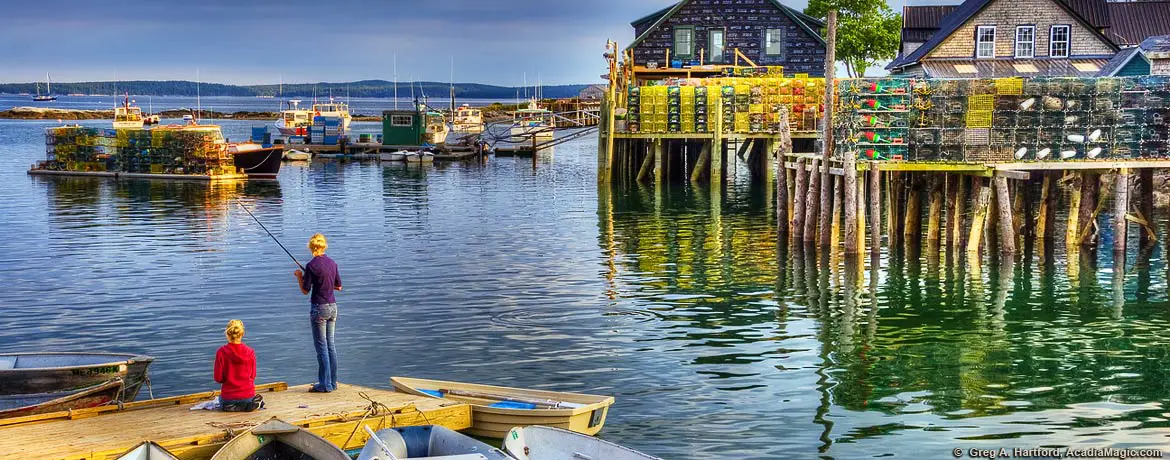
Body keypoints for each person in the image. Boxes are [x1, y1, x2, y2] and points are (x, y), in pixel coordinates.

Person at [294, 233, 342, 393]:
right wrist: (323, 282)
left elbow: (305, 291)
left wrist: (300, 277)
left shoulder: (312, 266)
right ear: (324, 246)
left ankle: (324, 384)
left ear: (311, 247)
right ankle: (333, 382)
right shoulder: (332, 263)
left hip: (319, 309)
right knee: (331, 346)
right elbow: (338, 286)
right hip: (333, 307)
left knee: (321, 347)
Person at [214, 319, 264, 412]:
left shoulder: (221, 352)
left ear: (227, 333)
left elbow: (218, 378)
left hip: (228, 398)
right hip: (247, 395)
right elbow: (252, 376)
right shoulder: (250, 351)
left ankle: (233, 406)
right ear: (242, 334)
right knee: (257, 399)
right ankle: (248, 405)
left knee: (221, 400)